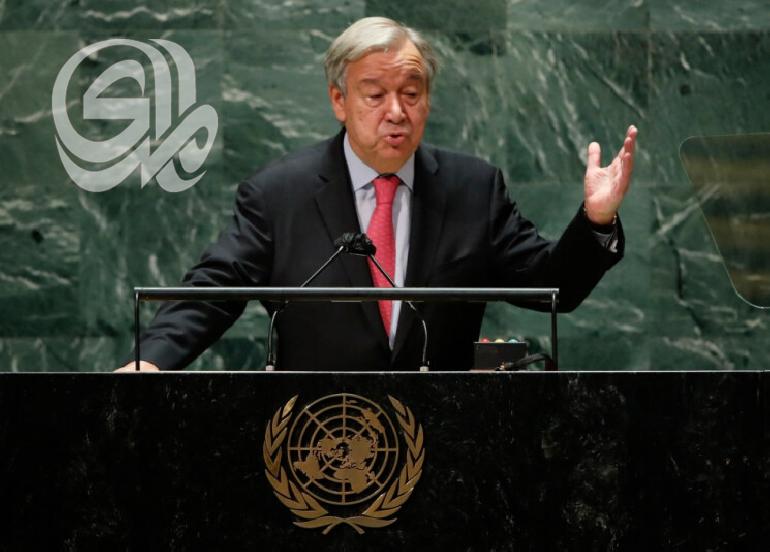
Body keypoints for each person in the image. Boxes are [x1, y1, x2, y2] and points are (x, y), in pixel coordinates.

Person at [116, 17, 637, 373]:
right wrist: (151, 361)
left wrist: (596, 220)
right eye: (375, 95)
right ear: (339, 101)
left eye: (411, 94)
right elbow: (214, 291)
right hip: (314, 442)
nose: (396, 112)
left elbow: (553, 288)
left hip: (447, 444)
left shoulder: (472, 190)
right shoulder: (280, 195)